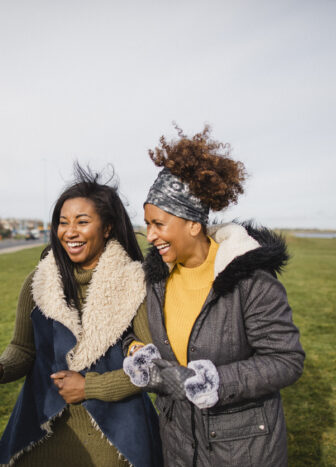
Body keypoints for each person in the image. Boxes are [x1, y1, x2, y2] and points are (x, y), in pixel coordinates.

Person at [123, 126, 305, 466]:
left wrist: (213, 381)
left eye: (159, 224)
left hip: (242, 450)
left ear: (193, 224)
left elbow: (286, 360)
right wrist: (138, 353)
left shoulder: (250, 279)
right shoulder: (157, 280)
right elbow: (136, 334)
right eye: (147, 224)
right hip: (178, 443)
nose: (150, 236)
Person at [0, 166, 162, 467]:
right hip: (41, 431)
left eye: (82, 222)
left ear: (107, 228)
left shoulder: (134, 283)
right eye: (63, 223)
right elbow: (23, 349)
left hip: (117, 439)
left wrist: (89, 387)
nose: (70, 232)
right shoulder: (38, 282)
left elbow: (152, 366)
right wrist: (0, 368)